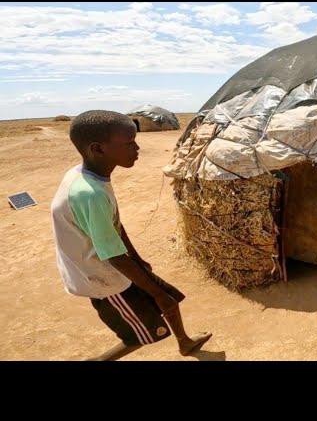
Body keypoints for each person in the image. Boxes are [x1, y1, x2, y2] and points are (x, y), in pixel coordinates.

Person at [51, 110, 211, 360]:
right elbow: (112, 255)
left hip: (114, 263)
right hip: (104, 278)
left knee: (170, 299)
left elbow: (113, 225)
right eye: (128, 144)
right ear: (98, 149)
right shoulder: (90, 194)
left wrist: (137, 259)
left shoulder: (89, 176)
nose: (136, 149)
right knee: (138, 336)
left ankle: (185, 342)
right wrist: (153, 290)